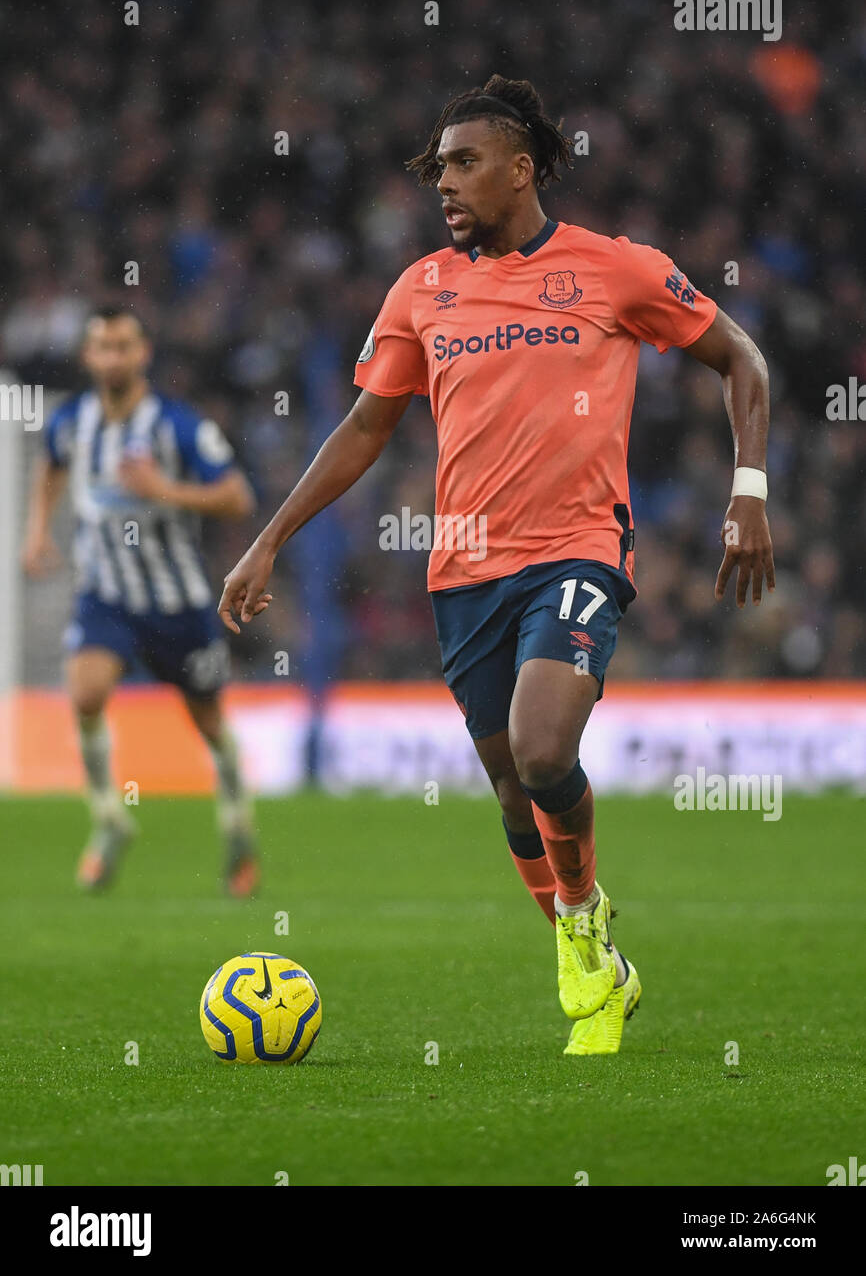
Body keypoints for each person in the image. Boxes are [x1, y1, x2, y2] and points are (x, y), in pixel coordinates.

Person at [217, 75, 775, 1054]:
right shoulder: (421, 289)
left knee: (542, 746)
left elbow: (741, 359)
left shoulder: (615, 270)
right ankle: (590, 949)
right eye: (437, 168)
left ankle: (576, 921)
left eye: (464, 163)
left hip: (576, 549)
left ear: (522, 170)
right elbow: (364, 426)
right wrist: (270, 538)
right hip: (462, 570)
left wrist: (749, 491)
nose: (445, 183)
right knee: (512, 789)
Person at [23, 307, 260, 895]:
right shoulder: (72, 420)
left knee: (208, 724)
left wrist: (165, 491)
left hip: (177, 603)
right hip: (105, 597)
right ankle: (108, 820)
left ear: (143, 353)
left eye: (123, 346)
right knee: (85, 693)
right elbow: (51, 469)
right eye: (102, 346)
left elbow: (239, 498)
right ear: (87, 356)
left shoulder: (179, 426)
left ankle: (238, 831)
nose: (112, 357)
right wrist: (36, 531)